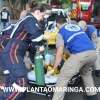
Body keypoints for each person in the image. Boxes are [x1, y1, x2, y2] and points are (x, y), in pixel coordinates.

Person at [0, 3, 50, 100]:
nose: (44, 19)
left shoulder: (28, 25)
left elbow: (32, 48)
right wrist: (41, 45)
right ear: (37, 12)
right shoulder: (29, 19)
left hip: (11, 53)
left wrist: (37, 62)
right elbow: (37, 38)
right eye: (43, 16)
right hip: (12, 53)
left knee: (12, 81)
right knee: (21, 82)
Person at [52, 16, 97, 100]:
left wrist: (54, 68)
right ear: (66, 22)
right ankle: (93, 97)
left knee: (62, 78)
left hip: (80, 54)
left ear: (57, 24)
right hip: (93, 53)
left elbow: (59, 52)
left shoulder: (60, 32)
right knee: (86, 74)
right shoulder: (76, 27)